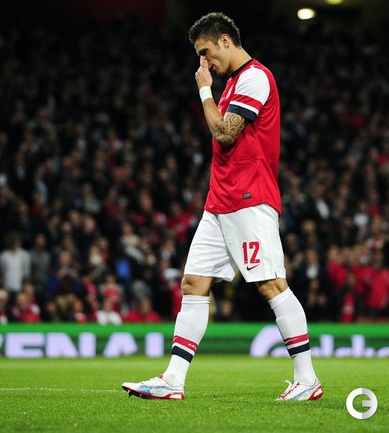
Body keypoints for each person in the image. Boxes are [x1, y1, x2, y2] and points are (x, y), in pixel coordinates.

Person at [122, 12, 321, 401]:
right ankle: (173, 379)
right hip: (220, 201)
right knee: (193, 283)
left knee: (270, 284)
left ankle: (307, 378)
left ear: (225, 40)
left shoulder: (254, 78)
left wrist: (204, 91)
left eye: (206, 52)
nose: (204, 62)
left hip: (249, 199)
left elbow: (225, 133)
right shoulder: (232, 85)